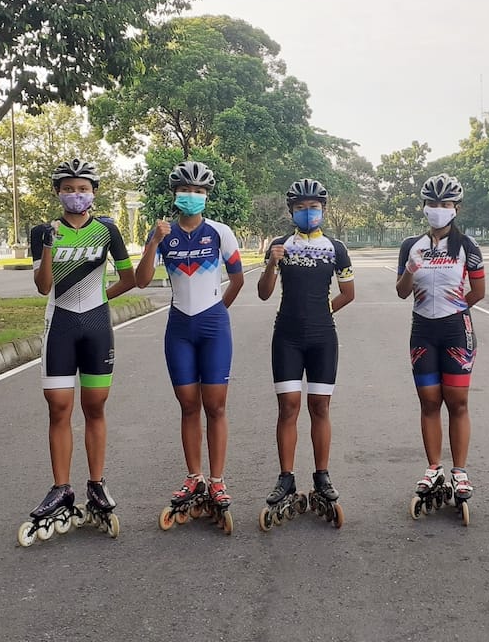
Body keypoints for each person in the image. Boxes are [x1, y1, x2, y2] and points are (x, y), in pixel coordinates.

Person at [26, 158, 135, 527]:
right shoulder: (44, 230)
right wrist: (45, 247)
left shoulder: (107, 230)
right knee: (58, 407)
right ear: (58, 192)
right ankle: (61, 487)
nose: (76, 194)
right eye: (69, 188)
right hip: (60, 324)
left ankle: (96, 484)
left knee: (95, 407)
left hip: (96, 324)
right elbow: (42, 286)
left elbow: (130, 277)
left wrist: (103, 296)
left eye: (83, 188)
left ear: (93, 192)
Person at [135, 159, 244, 513]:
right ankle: (193, 476)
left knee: (215, 406)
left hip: (213, 326)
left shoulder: (220, 232)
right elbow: (141, 279)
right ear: (175, 195)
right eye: (186, 190)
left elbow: (238, 278)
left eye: (199, 191)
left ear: (206, 195)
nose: (192, 196)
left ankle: (217, 480)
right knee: (187, 406)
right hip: (179, 327)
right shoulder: (164, 233)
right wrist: (154, 240)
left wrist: (219, 313)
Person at [256, 179, 355, 514]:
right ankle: (286, 477)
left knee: (320, 409)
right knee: (288, 408)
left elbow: (348, 293)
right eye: (301, 208)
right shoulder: (280, 244)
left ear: (323, 210)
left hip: (322, 337)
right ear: (291, 212)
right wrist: (272, 262)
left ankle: (322, 475)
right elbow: (264, 292)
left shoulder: (336, 247)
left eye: (313, 207)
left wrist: (324, 309)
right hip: (287, 336)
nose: (308, 212)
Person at [396, 174, 486, 505]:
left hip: (455, 330)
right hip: (422, 329)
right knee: (429, 401)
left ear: (456, 208)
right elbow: (402, 292)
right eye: (432, 204)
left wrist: (455, 307)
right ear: (424, 207)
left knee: (458, 402)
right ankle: (433, 468)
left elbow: (478, 290)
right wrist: (409, 268)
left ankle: (459, 471)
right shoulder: (411, 245)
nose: (438, 210)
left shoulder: (468, 246)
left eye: (445, 204)